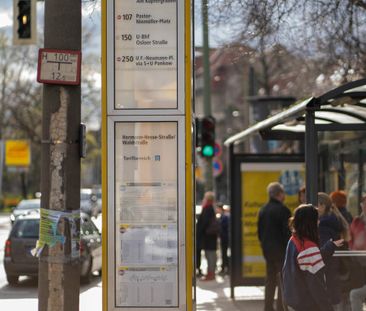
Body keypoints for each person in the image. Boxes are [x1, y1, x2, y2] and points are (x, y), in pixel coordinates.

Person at [282, 204, 344, 311]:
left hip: (294, 300)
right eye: (316, 220)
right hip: (308, 304)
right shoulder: (308, 247)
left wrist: (330, 246)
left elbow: (310, 261)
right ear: (309, 223)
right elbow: (316, 285)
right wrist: (327, 308)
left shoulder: (294, 239)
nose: (318, 222)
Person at [258, 182, 291, 311]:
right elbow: (287, 232)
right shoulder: (283, 210)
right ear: (279, 194)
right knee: (283, 280)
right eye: (283, 193)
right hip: (281, 250)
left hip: (267, 250)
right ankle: (281, 307)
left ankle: (268, 307)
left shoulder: (263, 209)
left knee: (270, 279)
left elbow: (260, 232)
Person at [318, 192, 350, 309]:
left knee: (328, 300)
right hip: (334, 266)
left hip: (327, 267)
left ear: (322, 205)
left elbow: (324, 250)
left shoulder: (323, 225)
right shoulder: (333, 220)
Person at [196, 191, 218, 281]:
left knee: (210, 255)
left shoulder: (207, 208)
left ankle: (210, 274)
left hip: (208, 237)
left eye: (205, 198)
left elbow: (203, 224)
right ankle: (211, 273)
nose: (203, 199)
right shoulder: (211, 208)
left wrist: (198, 233)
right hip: (211, 237)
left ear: (207, 199)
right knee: (211, 255)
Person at [349, 195, 366, 311]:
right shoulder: (357, 221)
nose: (364, 206)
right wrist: (352, 250)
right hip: (358, 264)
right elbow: (351, 239)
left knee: (356, 294)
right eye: (363, 204)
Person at [216, 202, 230, 276]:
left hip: (225, 238)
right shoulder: (222, 216)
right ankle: (224, 266)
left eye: (217, 208)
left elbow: (223, 227)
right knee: (223, 253)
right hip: (223, 237)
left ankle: (226, 267)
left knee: (224, 253)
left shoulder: (224, 217)